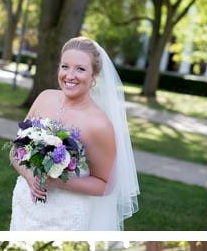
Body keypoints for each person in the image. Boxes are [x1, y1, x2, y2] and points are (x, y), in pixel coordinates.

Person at [9, 37, 139, 231]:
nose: (70, 75)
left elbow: (105, 185)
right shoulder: (44, 98)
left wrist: (58, 183)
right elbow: (15, 151)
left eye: (80, 69)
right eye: (65, 66)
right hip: (24, 204)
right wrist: (29, 176)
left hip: (64, 217)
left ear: (94, 75)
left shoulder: (99, 124)